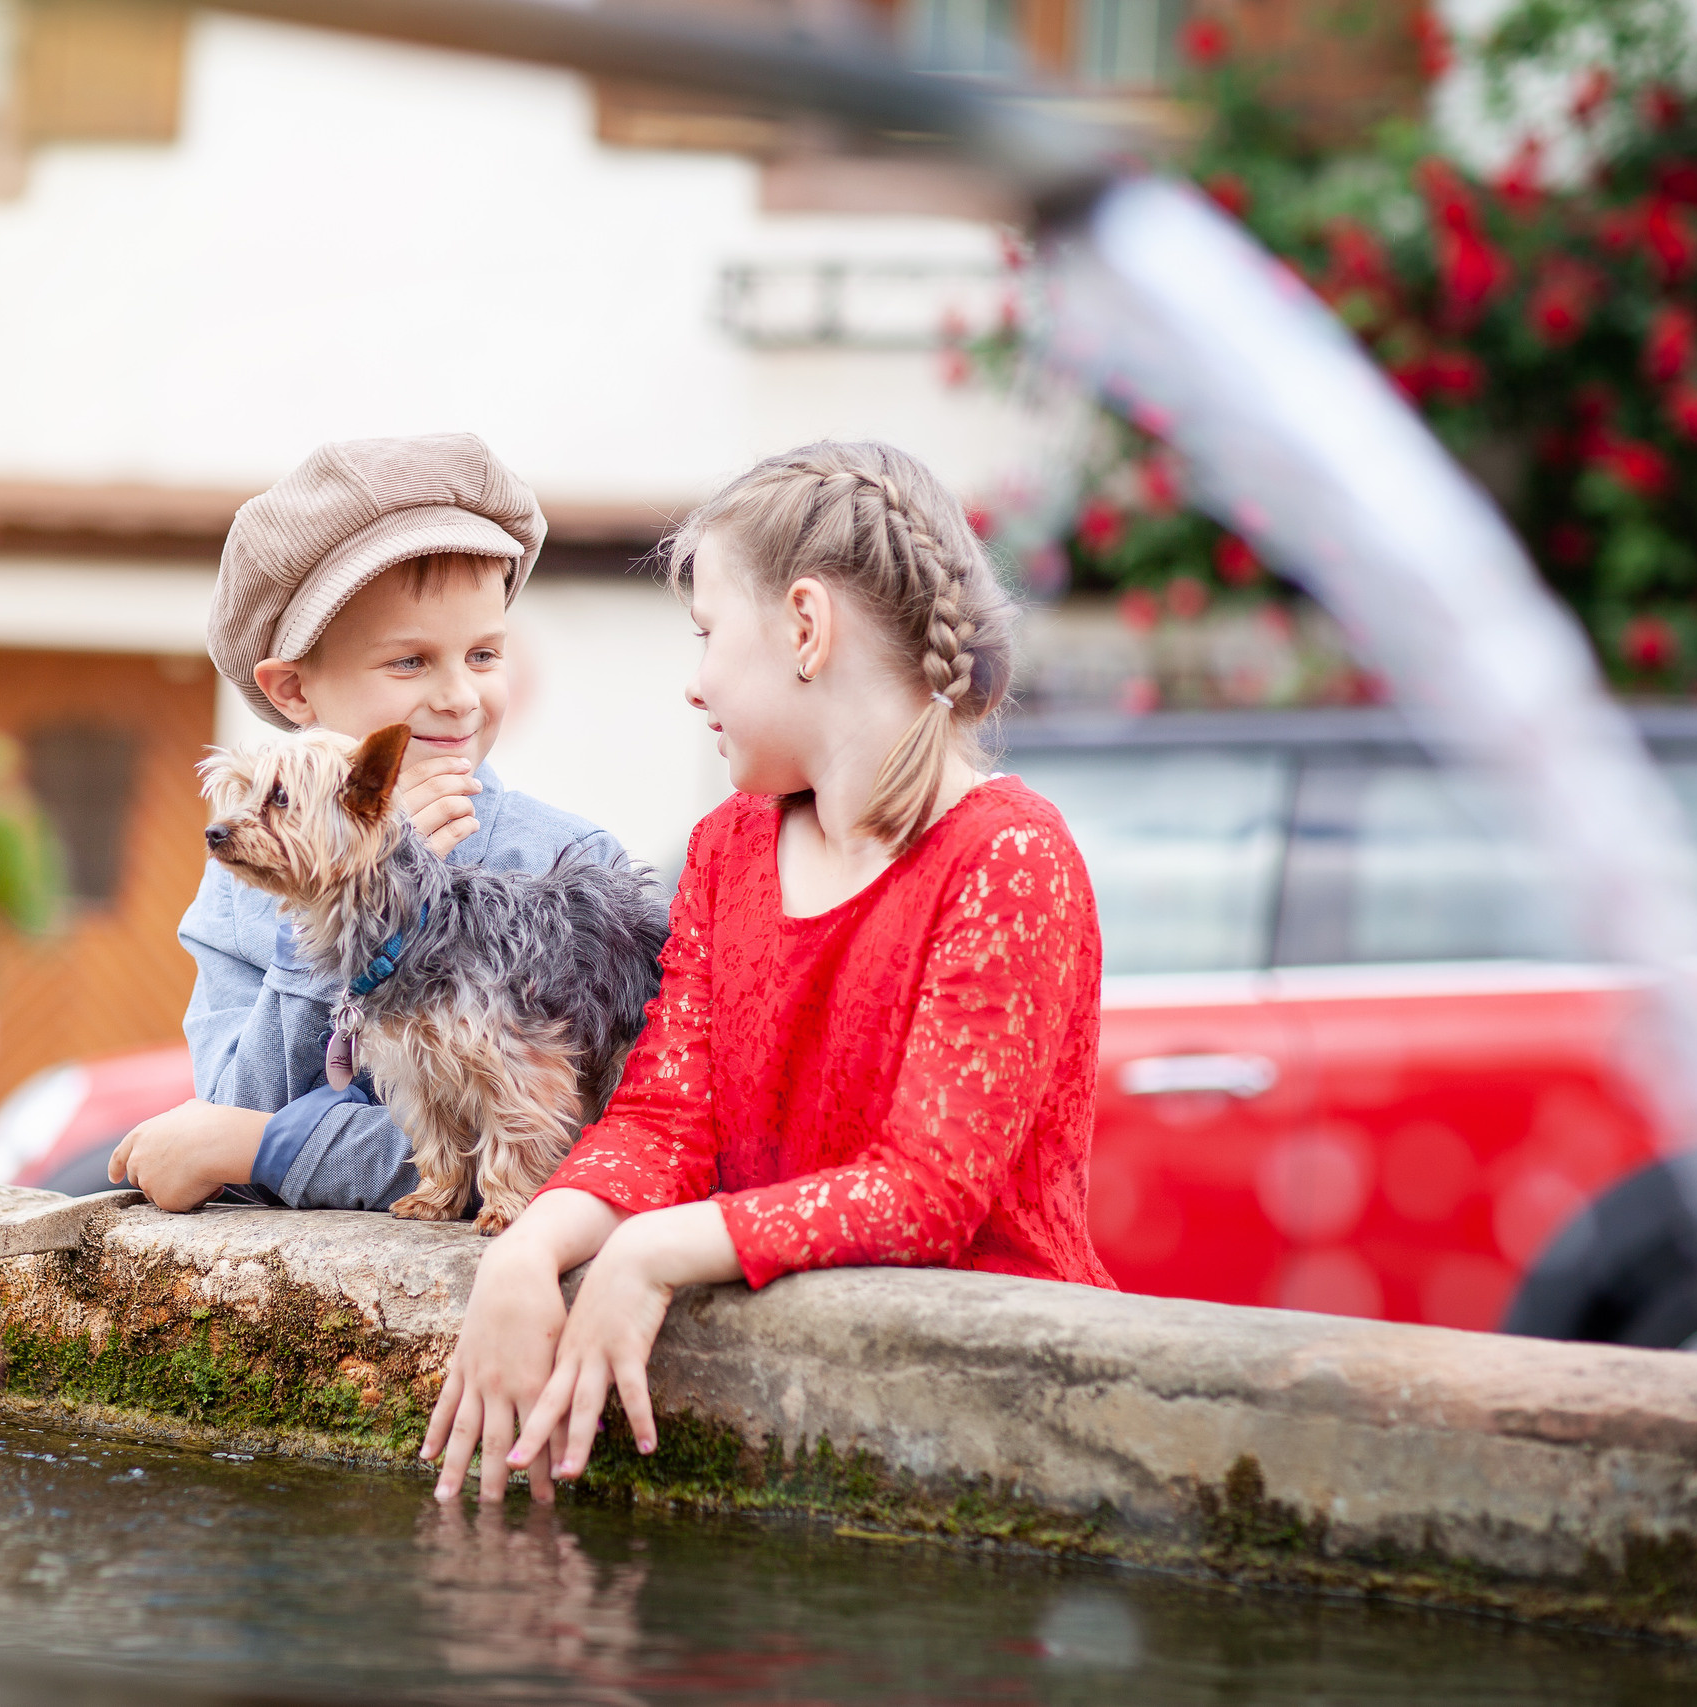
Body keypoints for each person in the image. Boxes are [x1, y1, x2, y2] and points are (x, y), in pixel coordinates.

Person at [421, 440, 1115, 1504]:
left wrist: (651, 1254)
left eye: (706, 634)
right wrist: (527, 1252)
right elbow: (663, 1126)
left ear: (804, 625)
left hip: (997, 1444)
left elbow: (925, 1194)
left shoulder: (1008, 859)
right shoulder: (728, 850)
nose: (692, 682)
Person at [113, 432, 630, 1214]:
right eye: (410, 662)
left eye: (484, 655)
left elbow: (578, 1142)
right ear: (293, 691)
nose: (459, 695)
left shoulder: (565, 863)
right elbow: (237, 1113)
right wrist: (327, 910)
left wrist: (269, 1145)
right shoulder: (245, 890)